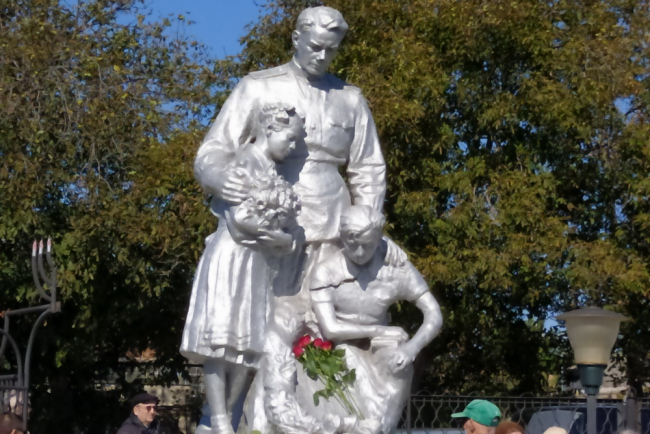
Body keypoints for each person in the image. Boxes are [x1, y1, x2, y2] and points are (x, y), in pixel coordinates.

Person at [194, 6, 387, 300]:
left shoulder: (350, 99)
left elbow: (368, 169)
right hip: (271, 218)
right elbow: (214, 149)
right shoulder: (258, 87)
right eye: (315, 47)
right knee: (271, 309)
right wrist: (219, 179)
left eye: (331, 50)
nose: (322, 56)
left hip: (333, 223)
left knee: (324, 309)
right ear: (297, 39)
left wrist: (366, 224)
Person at [180, 103, 304, 434]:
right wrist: (280, 238)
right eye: (290, 138)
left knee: (249, 348)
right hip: (231, 256)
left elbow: (282, 231)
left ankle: (224, 414)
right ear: (270, 130)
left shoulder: (273, 174)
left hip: (257, 264)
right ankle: (219, 420)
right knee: (220, 343)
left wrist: (284, 238)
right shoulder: (242, 163)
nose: (293, 147)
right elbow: (240, 222)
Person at [307, 205, 443, 433]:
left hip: (379, 346)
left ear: (379, 239)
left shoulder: (396, 267)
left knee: (399, 366)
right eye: (353, 244)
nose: (360, 252)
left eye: (367, 245)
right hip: (340, 344)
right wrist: (379, 330)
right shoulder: (326, 271)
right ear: (342, 238)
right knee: (349, 375)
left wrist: (411, 349)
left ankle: (383, 430)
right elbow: (331, 329)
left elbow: (434, 313)